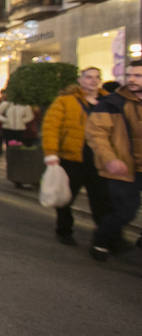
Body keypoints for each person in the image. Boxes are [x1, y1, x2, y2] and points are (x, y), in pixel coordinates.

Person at [41, 67, 110, 247]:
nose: (93, 81)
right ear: (80, 80)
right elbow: (51, 128)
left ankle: (103, 237)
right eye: (88, 77)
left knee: (101, 199)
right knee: (66, 197)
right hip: (72, 158)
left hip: (100, 159)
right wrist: (51, 153)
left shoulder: (109, 102)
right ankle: (64, 230)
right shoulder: (65, 101)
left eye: (96, 77)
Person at [84, 59, 142, 261]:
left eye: (138, 76)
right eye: (130, 75)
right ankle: (101, 239)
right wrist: (110, 159)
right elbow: (96, 134)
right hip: (124, 167)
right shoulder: (113, 103)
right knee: (125, 212)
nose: (133, 79)